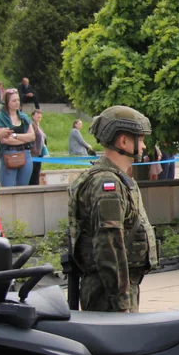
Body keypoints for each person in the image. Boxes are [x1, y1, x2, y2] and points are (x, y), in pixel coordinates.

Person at [68, 105, 157, 319]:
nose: (144, 146)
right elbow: (109, 246)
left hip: (111, 289)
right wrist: (121, 302)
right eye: (141, 139)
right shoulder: (108, 184)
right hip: (108, 294)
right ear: (124, 141)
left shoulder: (114, 179)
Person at [0, 89, 35, 187]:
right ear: (7, 102)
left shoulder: (24, 117)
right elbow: (5, 140)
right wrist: (24, 139)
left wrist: (16, 136)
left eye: (18, 100)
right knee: (8, 187)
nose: (17, 103)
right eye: (14, 101)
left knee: (23, 188)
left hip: (26, 154)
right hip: (9, 154)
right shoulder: (0, 118)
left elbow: (32, 136)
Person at [28, 109, 48, 186]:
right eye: (37, 114)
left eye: (41, 114)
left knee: (37, 173)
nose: (39, 115)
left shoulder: (39, 126)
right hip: (33, 153)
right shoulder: (32, 124)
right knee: (33, 175)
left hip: (39, 153)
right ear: (33, 115)